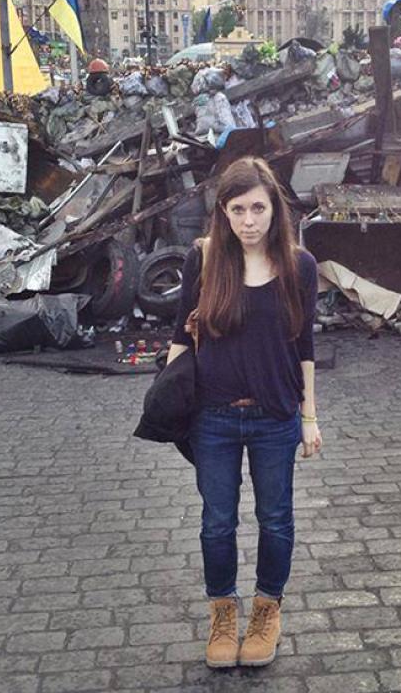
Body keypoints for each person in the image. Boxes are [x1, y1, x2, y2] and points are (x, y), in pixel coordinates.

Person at [166, 156, 322, 669]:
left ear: (276, 209)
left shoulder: (299, 266)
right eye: (238, 209)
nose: (249, 220)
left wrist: (309, 417)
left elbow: (305, 346)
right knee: (217, 523)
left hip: (275, 415)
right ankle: (223, 614)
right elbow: (178, 338)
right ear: (224, 212)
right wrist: (169, 405)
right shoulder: (205, 259)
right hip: (213, 417)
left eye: (259, 208)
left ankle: (266, 611)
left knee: (276, 519)